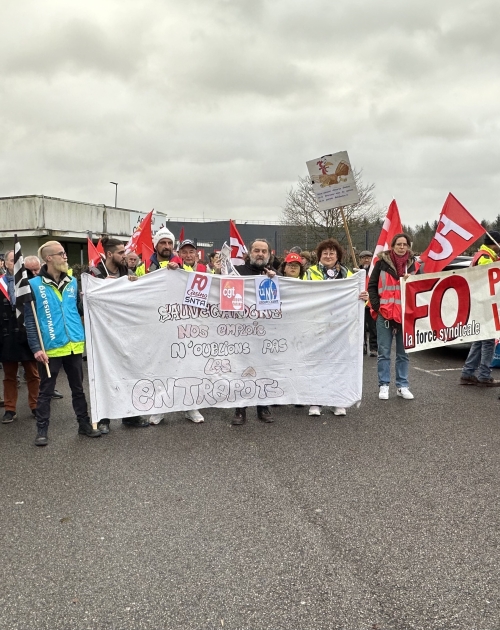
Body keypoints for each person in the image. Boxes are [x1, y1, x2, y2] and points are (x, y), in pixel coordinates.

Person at [24, 241, 101, 445]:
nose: (66, 257)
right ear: (49, 258)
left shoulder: (73, 282)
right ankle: (42, 430)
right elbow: (30, 320)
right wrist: (36, 348)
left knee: (78, 388)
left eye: (65, 254)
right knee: (46, 391)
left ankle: (83, 425)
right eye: (61, 254)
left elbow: (78, 309)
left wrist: (90, 300)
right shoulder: (33, 285)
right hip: (50, 347)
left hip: (74, 343)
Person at [85, 237, 149, 432]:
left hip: (124, 334)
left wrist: (134, 285)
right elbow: (82, 304)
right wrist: (102, 286)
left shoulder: (127, 273)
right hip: (102, 334)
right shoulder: (93, 274)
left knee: (129, 372)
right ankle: (103, 418)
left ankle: (130, 415)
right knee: (105, 375)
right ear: (110, 254)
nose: (126, 255)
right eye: (121, 253)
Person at [305, 239, 368, 417]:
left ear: (338, 255)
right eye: (325, 253)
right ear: (319, 255)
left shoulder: (349, 274)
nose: (328, 256)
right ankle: (315, 401)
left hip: (341, 327)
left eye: (332, 253)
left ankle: (337, 401)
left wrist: (364, 297)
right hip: (318, 325)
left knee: (338, 363)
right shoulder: (310, 272)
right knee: (317, 364)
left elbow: (358, 301)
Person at [368, 233, 420, 401]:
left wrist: (413, 280)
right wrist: (378, 307)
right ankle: (384, 385)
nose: (402, 247)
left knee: (403, 353)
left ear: (408, 246)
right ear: (393, 245)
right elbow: (372, 286)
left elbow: (423, 287)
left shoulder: (414, 266)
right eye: (399, 244)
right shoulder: (381, 263)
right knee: (384, 352)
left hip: (406, 315)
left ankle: (402, 385)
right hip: (386, 314)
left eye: (405, 244)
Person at [231, 239, 277, 425]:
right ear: (249, 253)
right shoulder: (238, 272)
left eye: (263, 251)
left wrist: (277, 278)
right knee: (241, 370)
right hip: (241, 331)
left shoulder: (275, 274)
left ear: (269, 254)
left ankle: (262, 407)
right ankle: (240, 409)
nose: (260, 254)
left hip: (266, 333)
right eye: (256, 250)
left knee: (263, 369)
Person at [0, 251, 40, 423]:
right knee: (9, 376)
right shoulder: (1, 283)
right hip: (6, 336)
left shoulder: (29, 283)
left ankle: (36, 405)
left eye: (19, 261)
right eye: (12, 260)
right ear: (6, 264)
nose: (15, 264)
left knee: (32, 373)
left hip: (26, 333)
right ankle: (10, 409)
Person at [460, 231, 500, 387]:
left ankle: (468, 373)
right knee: (488, 340)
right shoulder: (485, 257)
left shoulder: (483, 254)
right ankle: (484, 375)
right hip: (485, 303)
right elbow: (488, 276)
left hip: (479, 302)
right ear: (495, 243)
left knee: (478, 340)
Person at [358, 250, 378, 357]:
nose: (366, 260)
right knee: (360, 327)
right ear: (360, 259)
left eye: (369, 258)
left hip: (371, 303)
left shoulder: (374, 272)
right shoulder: (356, 271)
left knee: (372, 327)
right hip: (360, 302)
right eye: (364, 258)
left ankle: (374, 348)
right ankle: (363, 346)